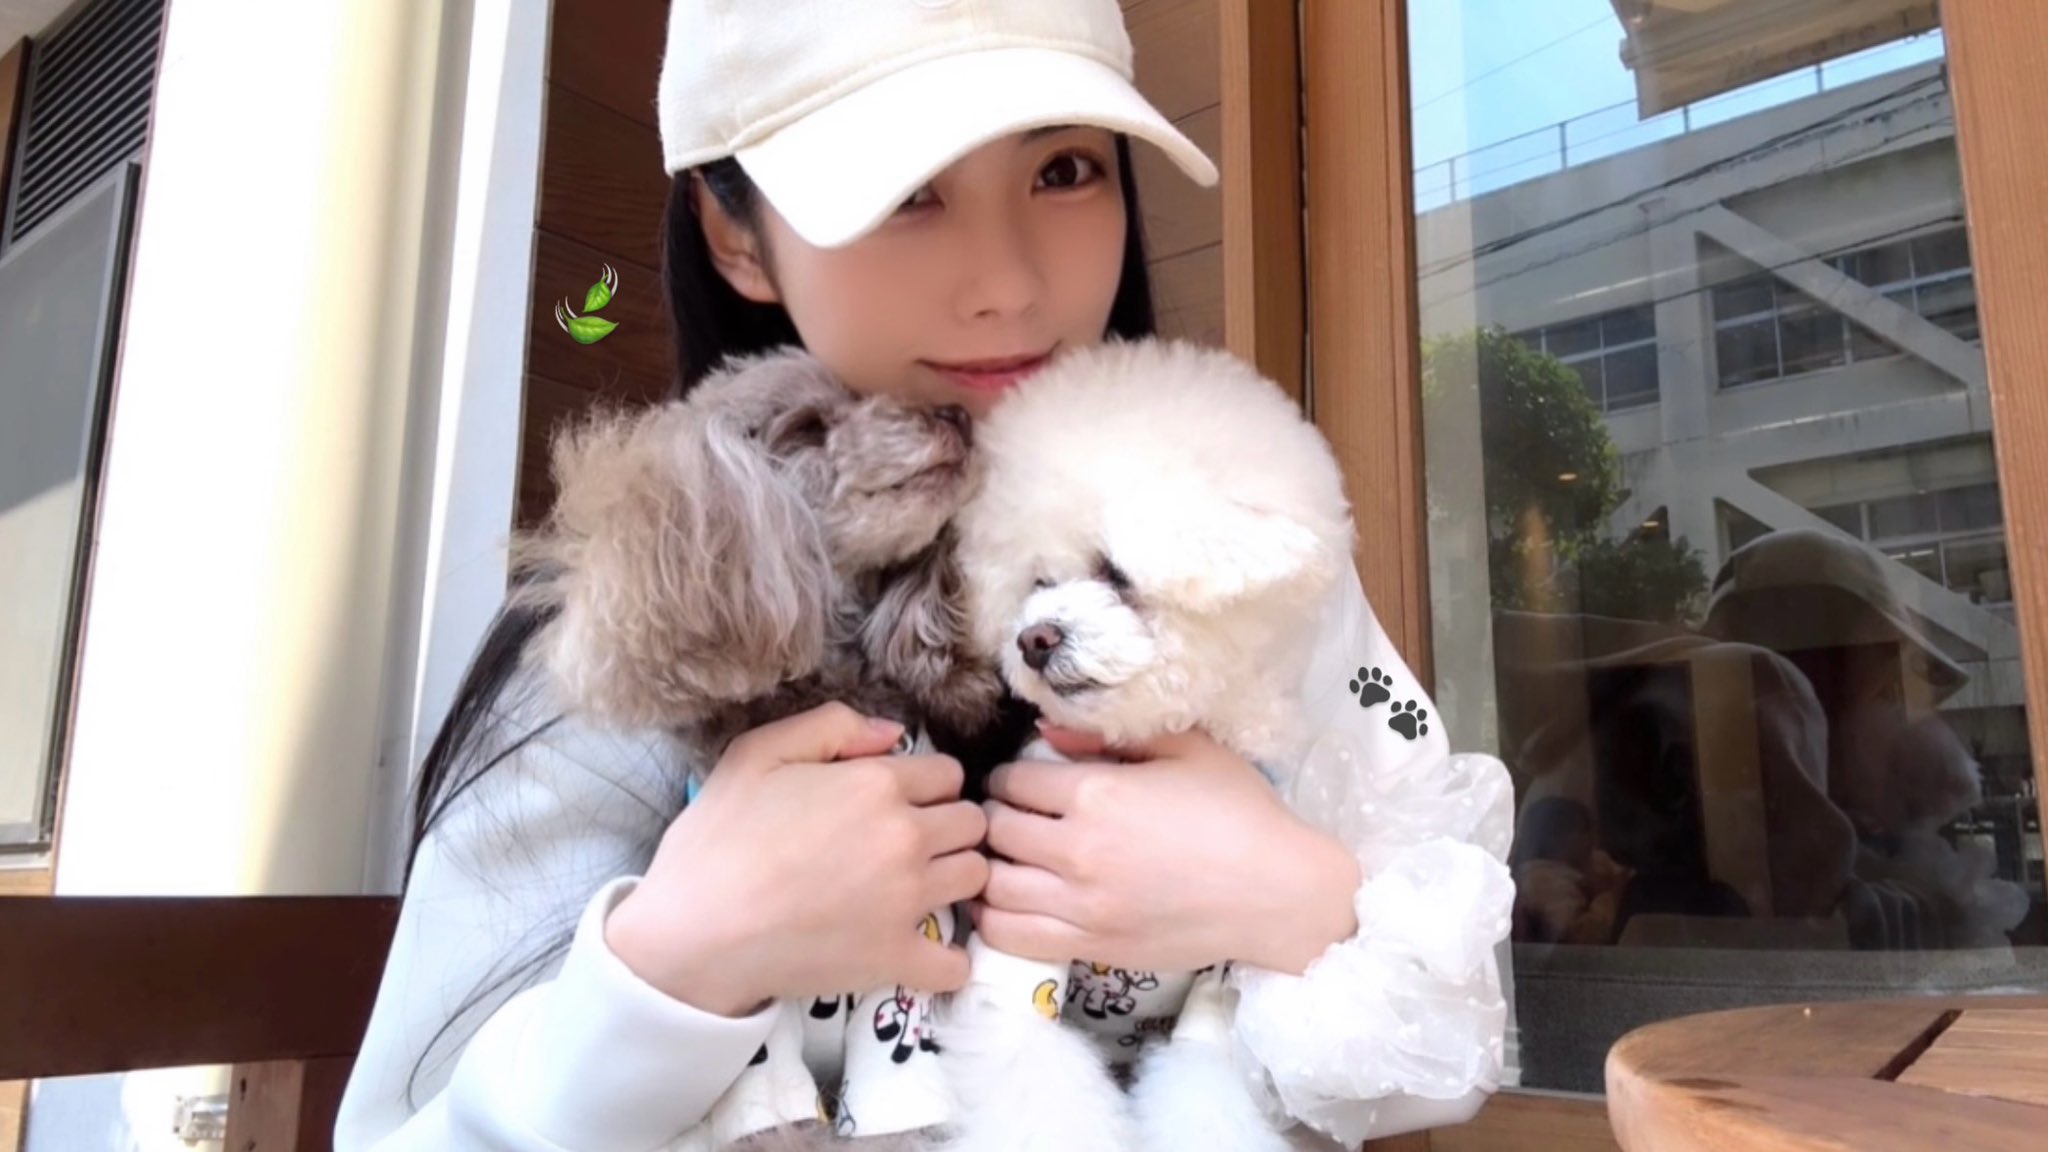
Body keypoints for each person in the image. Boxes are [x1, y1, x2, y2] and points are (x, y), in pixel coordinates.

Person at [333, 2, 1514, 1149]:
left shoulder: (1247, 549)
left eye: (1062, 170)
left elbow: (1451, 1057)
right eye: (903, 190)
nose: (1006, 281)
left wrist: (1300, 906)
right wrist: (677, 964)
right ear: (736, 234)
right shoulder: (641, 617)